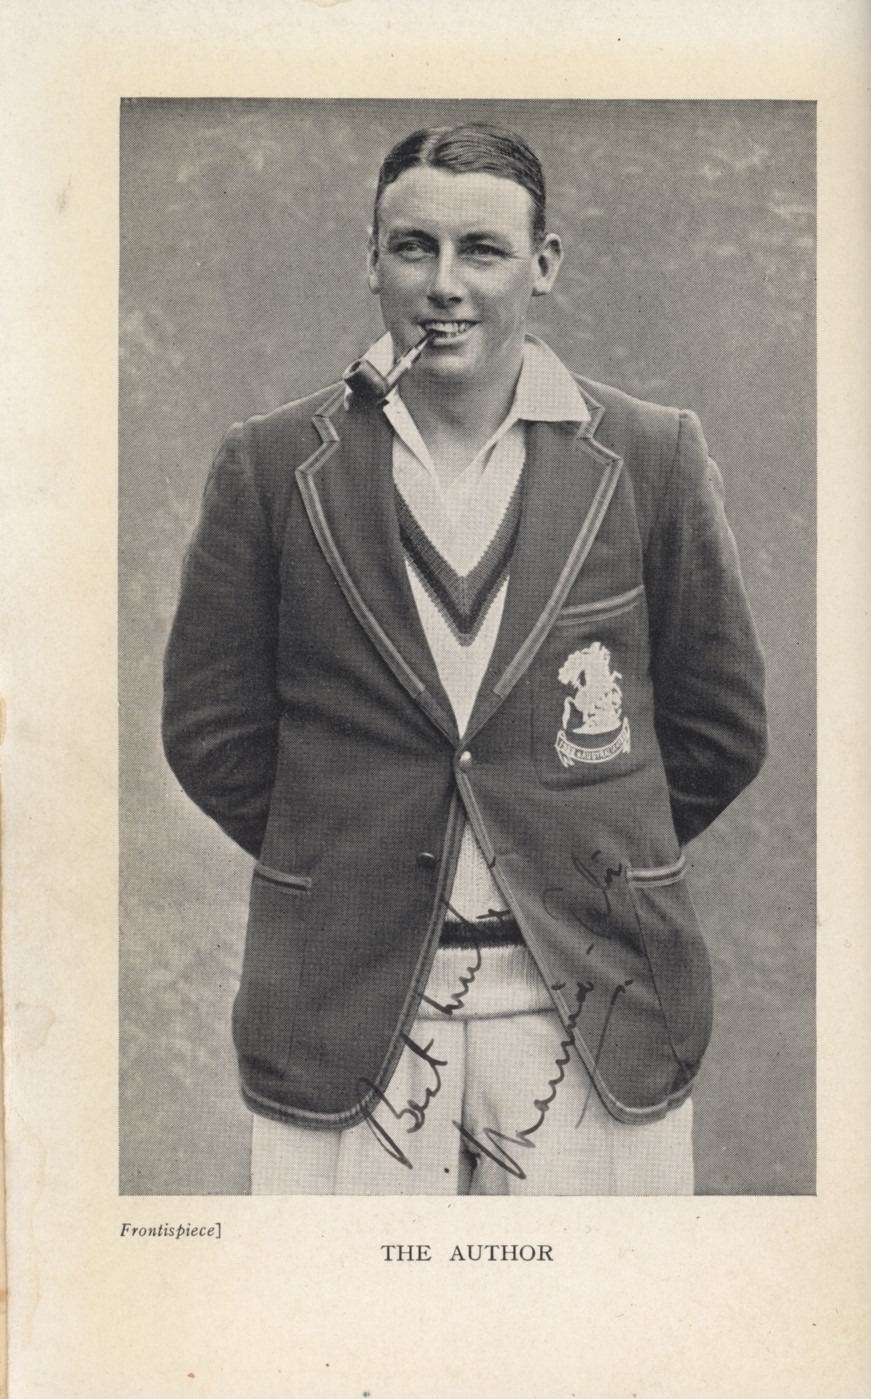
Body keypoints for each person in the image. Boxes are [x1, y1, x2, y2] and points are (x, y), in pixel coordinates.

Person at [162, 123, 767, 1196]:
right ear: (372, 261)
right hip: (344, 1008)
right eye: (414, 247)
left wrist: (574, 844)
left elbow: (719, 729)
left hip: (595, 1008)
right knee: (346, 1310)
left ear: (544, 264)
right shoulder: (271, 465)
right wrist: (352, 855)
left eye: (481, 249)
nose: (444, 284)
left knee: (595, 1311)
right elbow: (211, 733)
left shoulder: (649, 455)